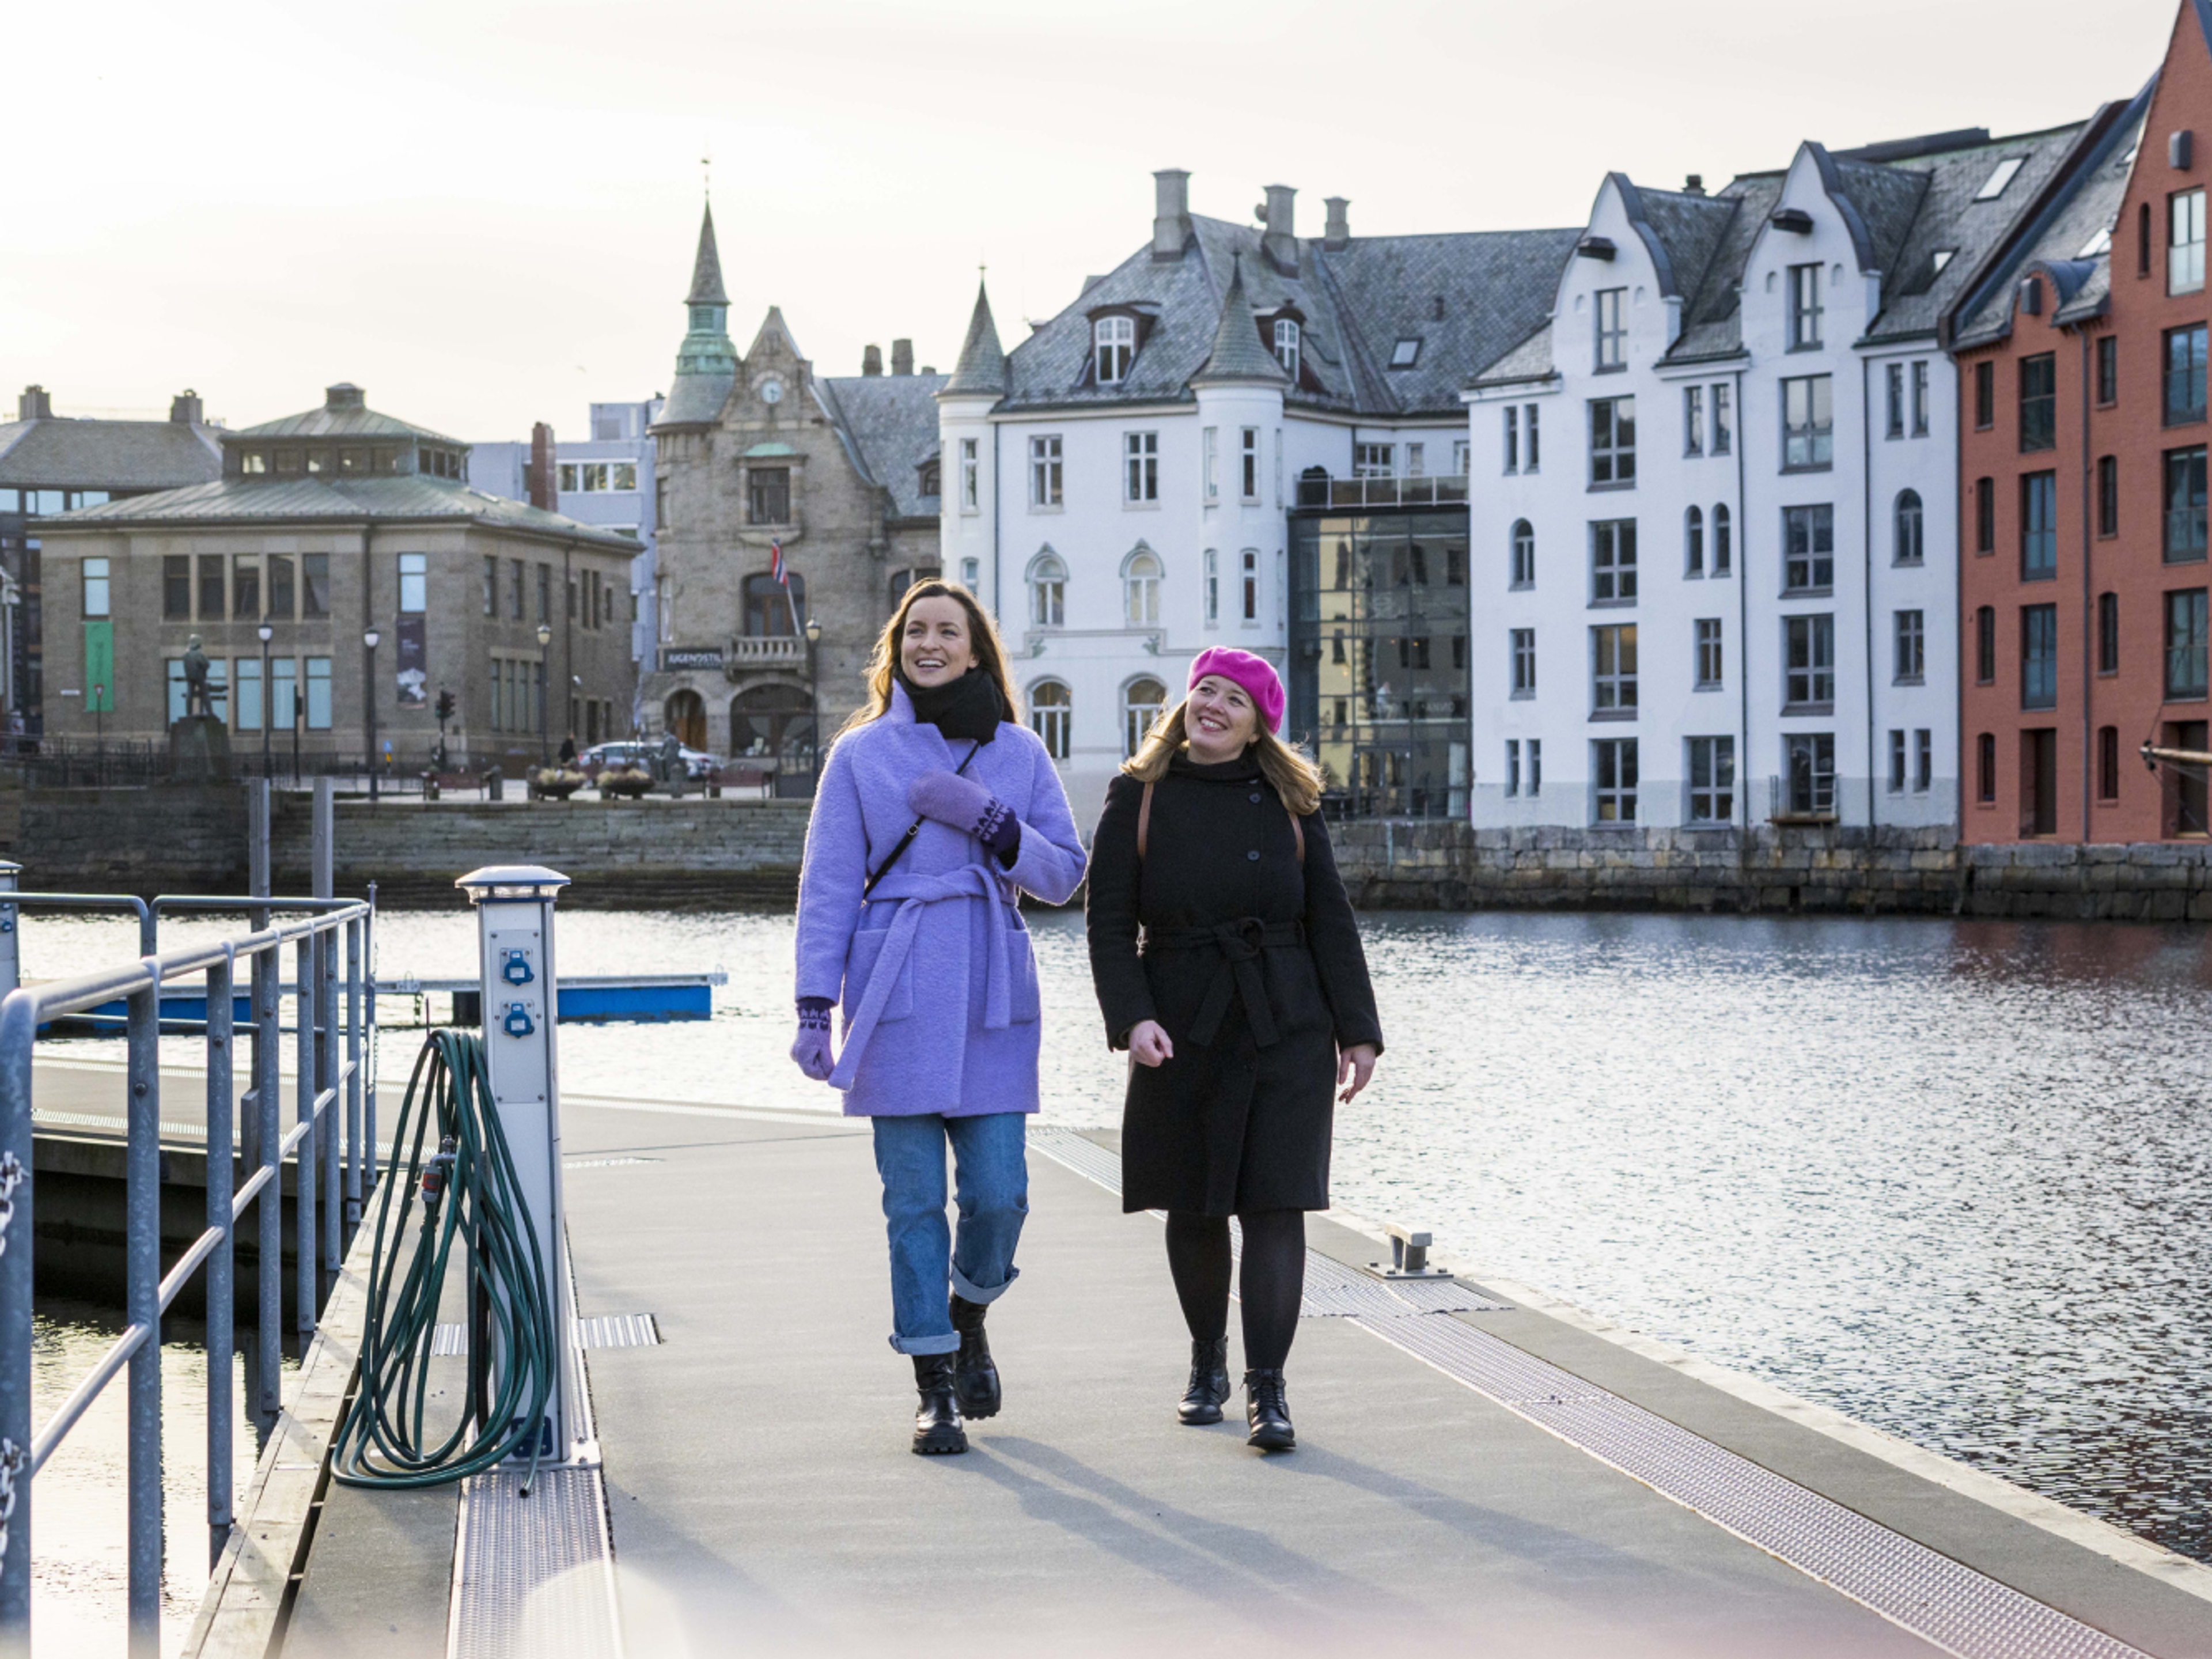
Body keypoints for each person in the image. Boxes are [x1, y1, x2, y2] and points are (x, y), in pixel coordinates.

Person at [790, 580, 1085, 1455]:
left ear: (975, 648)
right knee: (913, 1204)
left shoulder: (1020, 752)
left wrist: (994, 823)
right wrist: (814, 1008)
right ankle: (933, 1387)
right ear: (896, 648)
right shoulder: (859, 755)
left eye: (947, 631)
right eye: (914, 630)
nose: (929, 644)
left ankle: (969, 1313)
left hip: (991, 991)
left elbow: (1065, 875)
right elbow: (828, 886)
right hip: (896, 991)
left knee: (1000, 1196)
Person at [1085, 648, 1381, 1452]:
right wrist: (1132, 1018)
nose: (1213, 705)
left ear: (1258, 726)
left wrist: (1359, 1031)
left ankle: (1268, 1388)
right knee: (1193, 1202)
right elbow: (1107, 923)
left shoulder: (1291, 798)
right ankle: (1206, 1361)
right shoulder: (1137, 793)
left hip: (1288, 1020)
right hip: (1181, 1023)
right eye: (1204, 690)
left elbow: (1331, 920)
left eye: (1234, 699)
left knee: (1277, 1204)